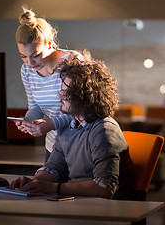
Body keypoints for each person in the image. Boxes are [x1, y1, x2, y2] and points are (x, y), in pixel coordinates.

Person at [10, 50, 135, 200]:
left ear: (84, 96)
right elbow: (54, 168)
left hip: (108, 210)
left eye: (65, 91)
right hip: (80, 203)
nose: (59, 95)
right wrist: (35, 181)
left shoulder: (104, 129)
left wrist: (54, 188)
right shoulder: (69, 127)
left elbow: (104, 188)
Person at [14, 8, 83, 161]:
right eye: (23, 56)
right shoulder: (26, 71)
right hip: (54, 146)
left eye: (36, 55)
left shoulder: (72, 60)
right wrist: (28, 122)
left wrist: (53, 124)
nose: (30, 63)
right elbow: (35, 107)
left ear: (50, 44)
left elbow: (83, 110)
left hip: (80, 144)